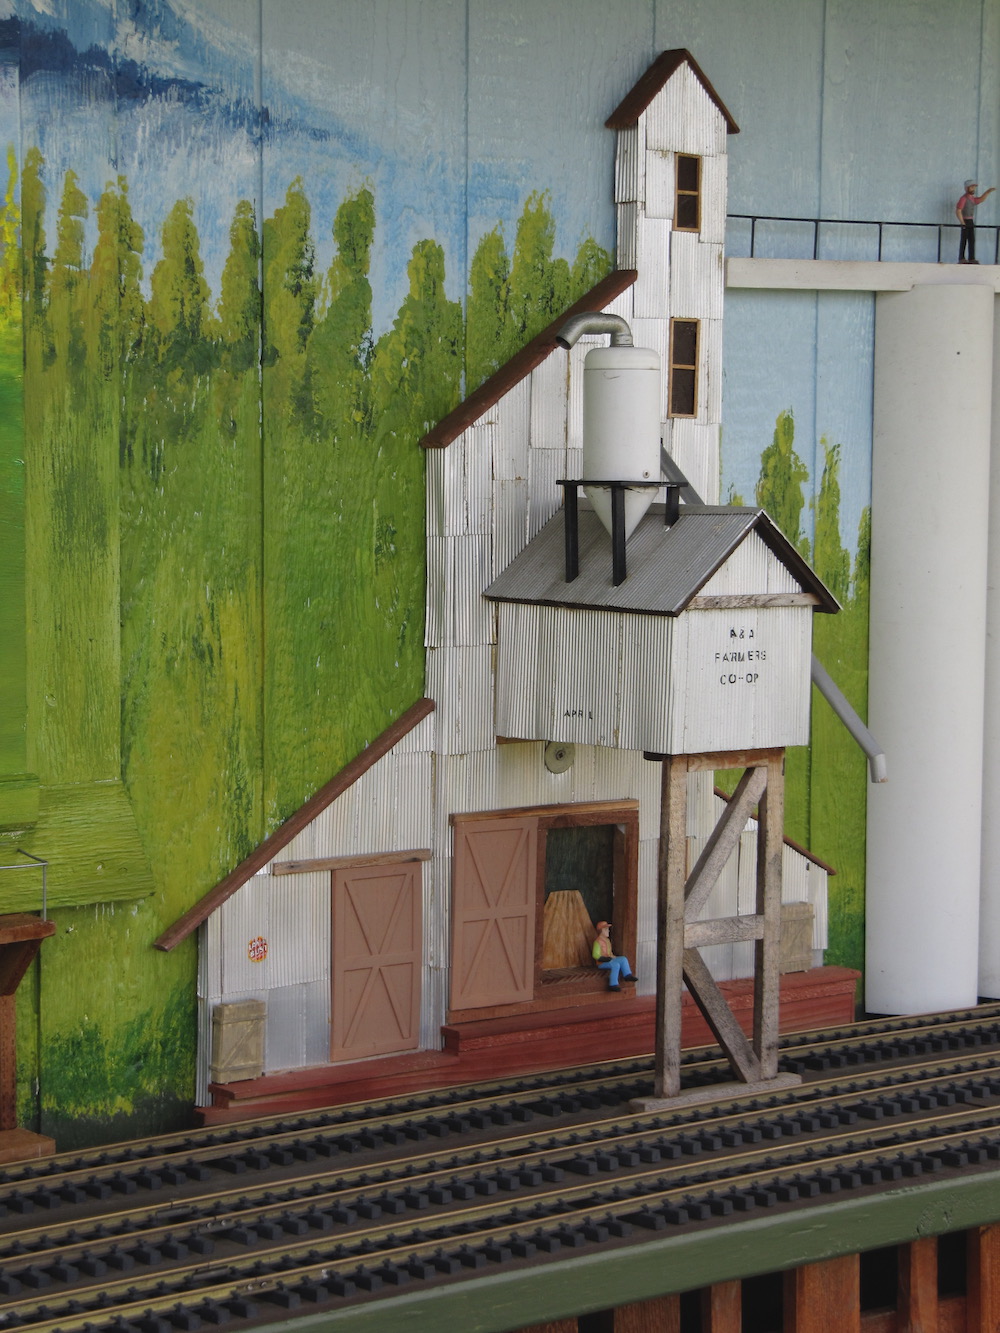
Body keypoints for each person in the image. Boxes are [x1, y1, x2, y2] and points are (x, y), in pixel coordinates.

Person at [956, 179, 995, 264]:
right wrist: (962, 222)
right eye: (972, 187)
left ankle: (971, 258)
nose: (973, 189)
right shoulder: (963, 199)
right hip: (965, 220)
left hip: (970, 221)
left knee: (971, 239)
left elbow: (980, 199)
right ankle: (961, 257)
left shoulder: (972, 199)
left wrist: (987, 192)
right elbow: (958, 210)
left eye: (974, 187)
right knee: (964, 240)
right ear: (967, 188)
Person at [591, 920, 637, 991]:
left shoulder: (607, 941)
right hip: (602, 963)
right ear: (601, 931)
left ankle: (627, 975)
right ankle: (613, 984)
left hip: (610, 959)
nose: (608, 931)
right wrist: (603, 959)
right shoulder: (597, 942)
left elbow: (609, 952)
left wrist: (612, 957)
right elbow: (595, 954)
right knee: (615, 965)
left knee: (623, 959)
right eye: (606, 930)